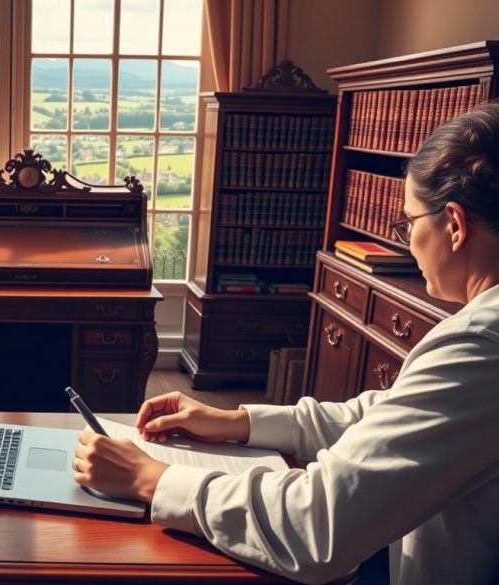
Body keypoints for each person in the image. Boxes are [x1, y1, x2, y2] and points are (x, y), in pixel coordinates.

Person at [72, 101, 499, 585]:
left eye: (407, 224)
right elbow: (390, 415)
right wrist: (236, 420)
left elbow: (315, 527)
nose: (404, 242)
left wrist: (149, 479)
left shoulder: (482, 344)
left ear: (456, 226)